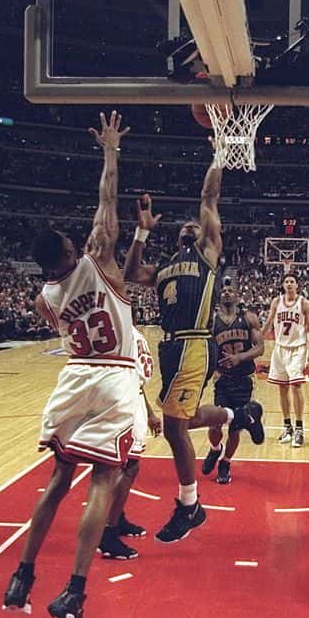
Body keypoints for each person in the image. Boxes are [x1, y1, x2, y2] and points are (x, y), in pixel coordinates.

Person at [2, 111, 140, 618]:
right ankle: (75, 590)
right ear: (70, 251)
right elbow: (107, 201)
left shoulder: (48, 297)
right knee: (103, 480)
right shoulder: (98, 260)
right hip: (112, 377)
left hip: (72, 378)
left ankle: (23, 575)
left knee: (59, 479)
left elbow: (53, 303)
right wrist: (110, 151)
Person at [123, 173, 265, 542]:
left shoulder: (207, 255)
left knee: (173, 427)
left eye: (195, 224)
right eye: (184, 225)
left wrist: (218, 152)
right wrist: (141, 232)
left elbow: (208, 198)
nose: (190, 225)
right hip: (171, 347)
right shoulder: (163, 269)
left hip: (195, 343)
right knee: (182, 420)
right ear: (176, 236)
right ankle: (241, 414)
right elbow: (129, 274)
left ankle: (190, 506)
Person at [96, 325, 161, 560]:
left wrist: (150, 413)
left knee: (128, 466)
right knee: (126, 467)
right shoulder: (119, 332)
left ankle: (117, 517)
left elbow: (138, 381)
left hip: (134, 400)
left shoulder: (133, 332)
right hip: (122, 403)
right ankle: (107, 533)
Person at [203, 283, 265, 484]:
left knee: (235, 428)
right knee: (214, 425)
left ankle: (225, 463)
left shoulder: (248, 318)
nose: (227, 292)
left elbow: (260, 348)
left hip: (244, 380)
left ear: (237, 295)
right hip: (223, 380)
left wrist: (240, 357)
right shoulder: (212, 321)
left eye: (231, 290)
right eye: (224, 290)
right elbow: (207, 348)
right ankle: (215, 449)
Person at [260, 273, 309, 447]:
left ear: (297, 285)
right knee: (282, 388)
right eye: (286, 282)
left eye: (292, 281)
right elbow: (269, 323)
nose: (289, 284)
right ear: (283, 285)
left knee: (296, 385)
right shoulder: (276, 302)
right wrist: (257, 340)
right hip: (280, 349)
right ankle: (287, 427)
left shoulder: (304, 303)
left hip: (298, 348)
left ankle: (299, 429)